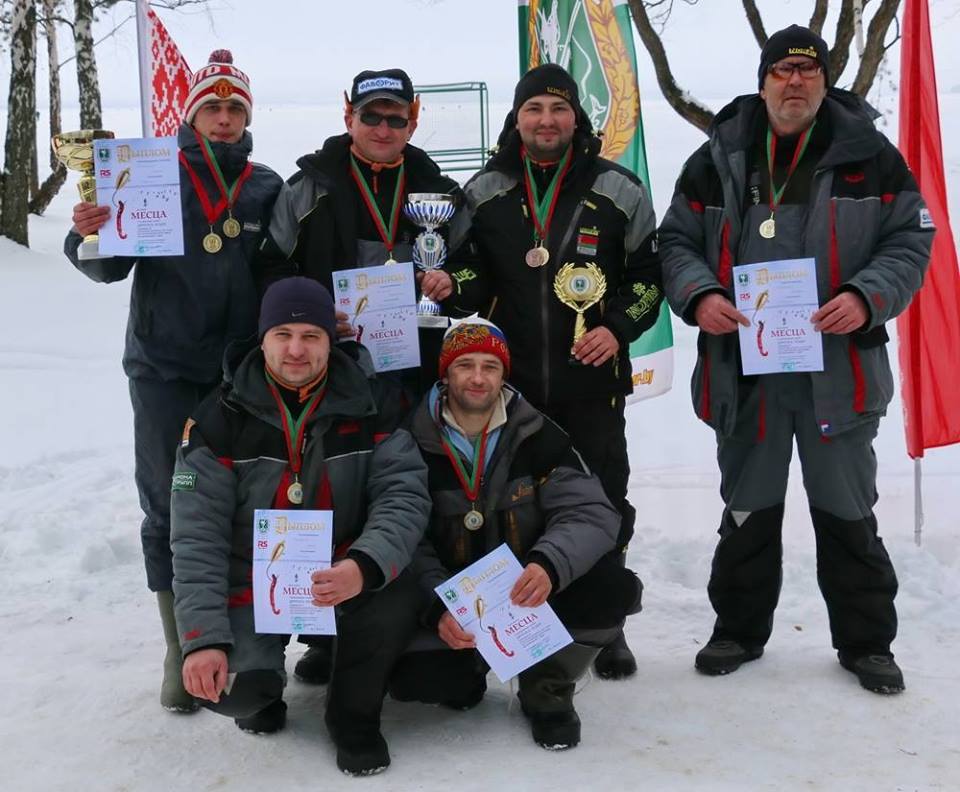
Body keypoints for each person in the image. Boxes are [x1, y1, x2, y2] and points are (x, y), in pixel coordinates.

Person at [658, 25, 934, 693]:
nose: (795, 82)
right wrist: (700, 296)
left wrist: (865, 297)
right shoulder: (716, 157)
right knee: (747, 507)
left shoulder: (872, 156)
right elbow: (675, 242)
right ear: (762, 82)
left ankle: (867, 643)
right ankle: (737, 630)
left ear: (824, 82)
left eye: (808, 71)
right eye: (782, 70)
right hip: (745, 371)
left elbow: (910, 241)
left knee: (847, 509)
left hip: (837, 371)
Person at [64, 50, 284, 712]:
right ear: (192, 114)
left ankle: (246, 640)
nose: (223, 117)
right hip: (164, 371)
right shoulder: (149, 173)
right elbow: (107, 268)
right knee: (167, 504)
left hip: (243, 377)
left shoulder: (265, 187)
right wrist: (89, 233)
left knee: (248, 503)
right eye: (211, 106)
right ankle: (179, 646)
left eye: (235, 107)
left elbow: (283, 271)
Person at [446, 64, 662, 679]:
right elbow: (467, 273)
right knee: (510, 503)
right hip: (507, 392)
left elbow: (650, 278)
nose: (546, 120)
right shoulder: (484, 190)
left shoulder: (619, 188)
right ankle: (511, 625)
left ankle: (605, 626)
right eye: (534, 108)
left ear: (576, 118)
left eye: (558, 108)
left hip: (592, 386)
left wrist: (616, 328)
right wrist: (449, 284)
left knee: (604, 499)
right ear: (517, 118)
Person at [170, 277, 430, 776]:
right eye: (283, 335)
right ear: (262, 338)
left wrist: (363, 565)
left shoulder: (374, 402)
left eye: (311, 335)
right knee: (236, 691)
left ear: (330, 341)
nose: (296, 349)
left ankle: (352, 715)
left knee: (394, 588)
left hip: (343, 567)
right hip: (254, 576)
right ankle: (262, 686)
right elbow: (196, 536)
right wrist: (202, 640)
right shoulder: (216, 419)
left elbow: (403, 496)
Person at [258, 67, 464, 684]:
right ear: (348, 115)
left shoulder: (441, 192)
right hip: (333, 376)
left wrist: (451, 281)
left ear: (414, 120)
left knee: (421, 495)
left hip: (419, 374)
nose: (382, 127)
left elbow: (478, 268)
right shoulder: (308, 188)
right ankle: (327, 636)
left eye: (395, 117)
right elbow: (269, 273)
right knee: (337, 499)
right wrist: (314, 312)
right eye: (370, 115)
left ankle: (420, 628)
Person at [389, 318, 643, 749]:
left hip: (526, 591)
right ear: (445, 374)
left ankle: (546, 684)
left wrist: (548, 565)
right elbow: (403, 537)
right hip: (451, 600)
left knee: (611, 589)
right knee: (424, 684)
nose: (477, 378)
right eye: (464, 365)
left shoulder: (537, 433)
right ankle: (468, 670)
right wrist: (438, 607)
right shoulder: (409, 440)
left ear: (504, 374)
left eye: (490, 366)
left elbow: (590, 512)